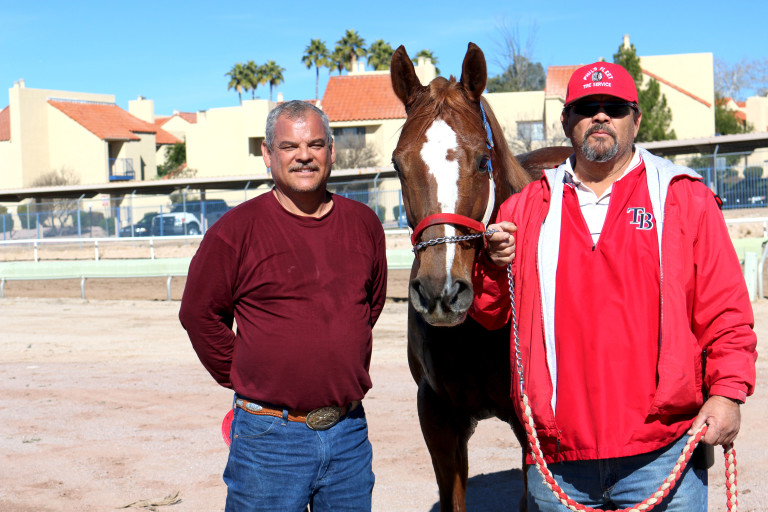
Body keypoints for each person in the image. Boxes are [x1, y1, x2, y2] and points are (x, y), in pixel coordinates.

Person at [470, 62, 757, 511]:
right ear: (566, 121)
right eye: (587, 107)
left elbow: (726, 312)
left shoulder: (684, 197)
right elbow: (489, 312)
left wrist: (726, 393)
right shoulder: (524, 209)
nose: (600, 116)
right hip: (558, 458)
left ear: (636, 120)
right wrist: (490, 264)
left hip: (663, 453)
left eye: (614, 108)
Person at [179, 100, 387, 512]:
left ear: (331, 149)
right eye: (289, 146)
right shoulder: (235, 231)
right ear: (268, 155)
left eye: (315, 144)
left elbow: (369, 306)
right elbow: (199, 314)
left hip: (347, 434)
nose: (304, 156)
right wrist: (250, 375)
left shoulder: (364, 223)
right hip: (269, 440)